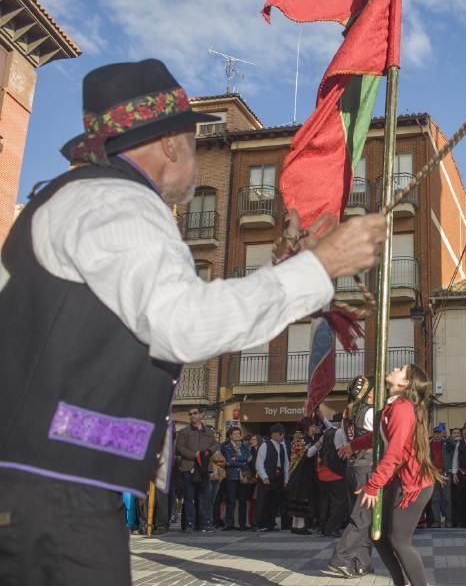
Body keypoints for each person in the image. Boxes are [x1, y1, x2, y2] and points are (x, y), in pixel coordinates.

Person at [0, 58, 387, 582]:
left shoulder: (90, 198)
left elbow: (162, 310)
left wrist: (298, 278)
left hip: (48, 485)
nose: (197, 164)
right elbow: (183, 321)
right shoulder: (118, 203)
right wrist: (320, 266)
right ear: (171, 143)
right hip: (49, 490)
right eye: (196, 144)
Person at [354, 364, 444, 586]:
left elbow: (393, 452)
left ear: (405, 384)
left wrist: (373, 485)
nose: (394, 368)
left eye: (401, 369)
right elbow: (382, 435)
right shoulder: (393, 406)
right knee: (380, 537)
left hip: (414, 485)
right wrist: (353, 445)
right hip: (400, 482)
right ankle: (399, 582)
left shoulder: (403, 407)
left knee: (399, 541)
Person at [329, 376, 377, 577]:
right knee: (363, 517)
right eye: (373, 391)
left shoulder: (347, 414)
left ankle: (362, 562)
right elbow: (378, 438)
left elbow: (342, 439)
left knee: (362, 515)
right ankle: (341, 558)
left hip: (352, 467)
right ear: (368, 394)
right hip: (365, 466)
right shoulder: (370, 412)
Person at [176, 407, 219, 532]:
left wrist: (208, 452)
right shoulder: (184, 431)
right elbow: (179, 448)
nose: (192, 416)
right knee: (189, 498)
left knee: (204, 498)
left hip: (205, 469)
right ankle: (190, 524)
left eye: (195, 413)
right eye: (190, 414)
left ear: (201, 415)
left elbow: (215, 444)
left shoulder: (209, 432)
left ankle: (205, 524)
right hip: (189, 468)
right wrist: (195, 455)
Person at [255, 424, 290, 531]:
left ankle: (271, 523)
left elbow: (286, 464)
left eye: (283, 434)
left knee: (275, 502)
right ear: (274, 434)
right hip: (267, 477)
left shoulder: (282, 447)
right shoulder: (265, 445)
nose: (282, 436)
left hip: (279, 477)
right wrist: (264, 476)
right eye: (280, 434)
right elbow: (259, 463)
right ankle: (260, 524)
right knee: (264, 501)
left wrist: (286, 479)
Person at [222, 427, 252, 530]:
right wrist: (242, 461)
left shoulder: (244, 446)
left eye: (238, 434)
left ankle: (242, 524)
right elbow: (229, 461)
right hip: (232, 476)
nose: (237, 436)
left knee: (243, 500)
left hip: (243, 476)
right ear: (230, 436)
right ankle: (229, 523)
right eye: (234, 434)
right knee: (231, 500)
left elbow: (249, 458)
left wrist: (237, 459)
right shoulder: (227, 447)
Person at [428, 423, 454, 528]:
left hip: (445, 473)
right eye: (435, 432)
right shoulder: (428, 444)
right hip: (433, 474)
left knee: (447, 499)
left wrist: (446, 435)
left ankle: (448, 521)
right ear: (432, 433)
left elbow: (454, 446)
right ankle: (436, 521)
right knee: (435, 499)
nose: (437, 434)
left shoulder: (446, 443)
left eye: (439, 432)